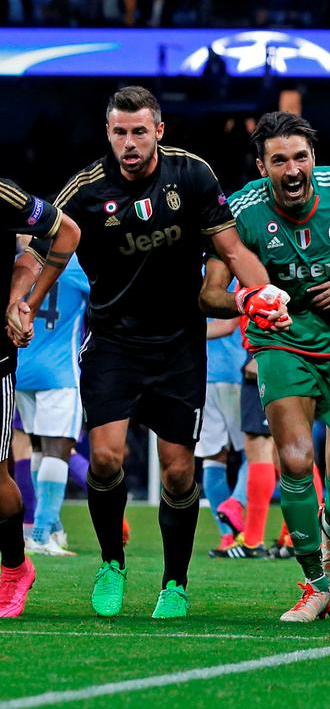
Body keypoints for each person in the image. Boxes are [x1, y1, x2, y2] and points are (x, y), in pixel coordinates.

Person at [52, 86, 280, 619]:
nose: (128, 143)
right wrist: (23, 301)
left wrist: (266, 295)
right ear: (107, 132)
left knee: (178, 472)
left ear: (159, 130)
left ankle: (174, 583)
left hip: (180, 345)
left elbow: (231, 248)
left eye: (138, 131)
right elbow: (45, 248)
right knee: (107, 458)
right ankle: (112, 562)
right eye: (118, 132)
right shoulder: (84, 190)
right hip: (112, 341)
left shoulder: (193, 175)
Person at [202, 110, 330, 622]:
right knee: (293, 460)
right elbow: (209, 295)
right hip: (281, 342)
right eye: (279, 161)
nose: (292, 169)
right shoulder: (239, 210)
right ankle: (316, 585)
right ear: (260, 166)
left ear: (313, 158)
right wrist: (247, 302)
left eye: (300, 157)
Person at [0, 177, 81, 618]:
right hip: (46, 369)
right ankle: (44, 528)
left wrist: (21, 300)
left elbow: (65, 232)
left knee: (10, 470)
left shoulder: (4, 195)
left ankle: (17, 562)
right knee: (48, 446)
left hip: (15, 359)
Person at [14, 244, 89, 557]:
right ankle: (43, 534)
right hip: (59, 371)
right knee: (59, 449)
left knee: (38, 448)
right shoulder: (77, 267)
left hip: (21, 366)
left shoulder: (21, 266)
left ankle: (50, 527)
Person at [197, 284, 249, 555]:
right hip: (234, 373)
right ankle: (236, 505)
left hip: (203, 374)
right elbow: (228, 325)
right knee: (255, 453)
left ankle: (227, 536)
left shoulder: (193, 273)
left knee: (212, 457)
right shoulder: (229, 274)